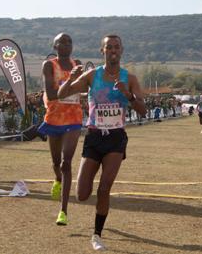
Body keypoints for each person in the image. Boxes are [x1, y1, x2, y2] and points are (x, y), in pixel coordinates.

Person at [58, 34, 146, 251]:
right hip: (94, 137)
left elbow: (143, 111)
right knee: (82, 194)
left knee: (105, 188)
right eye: (109, 47)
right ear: (102, 51)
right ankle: (96, 212)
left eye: (116, 46)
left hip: (116, 138)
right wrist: (71, 78)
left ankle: (96, 235)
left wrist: (129, 96)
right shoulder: (92, 76)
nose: (113, 50)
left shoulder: (130, 79)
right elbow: (61, 94)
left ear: (121, 50)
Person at [37, 33, 84, 226]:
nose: (66, 44)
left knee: (66, 162)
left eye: (69, 41)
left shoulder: (77, 64)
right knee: (56, 163)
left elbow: (84, 89)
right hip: (54, 118)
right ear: (55, 46)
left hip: (73, 117)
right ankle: (57, 179)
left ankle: (63, 211)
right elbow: (51, 94)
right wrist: (71, 83)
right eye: (62, 42)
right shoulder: (49, 65)